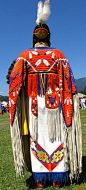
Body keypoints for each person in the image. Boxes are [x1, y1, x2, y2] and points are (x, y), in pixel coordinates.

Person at [7, 0, 82, 188]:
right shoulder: (59, 55)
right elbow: (69, 84)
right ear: (48, 37)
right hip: (55, 107)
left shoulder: (24, 56)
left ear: (34, 38)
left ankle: (41, 180)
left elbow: (14, 83)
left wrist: (15, 104)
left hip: (35, 108)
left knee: (38, 138)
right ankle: (57, 179)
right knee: (56, 138)